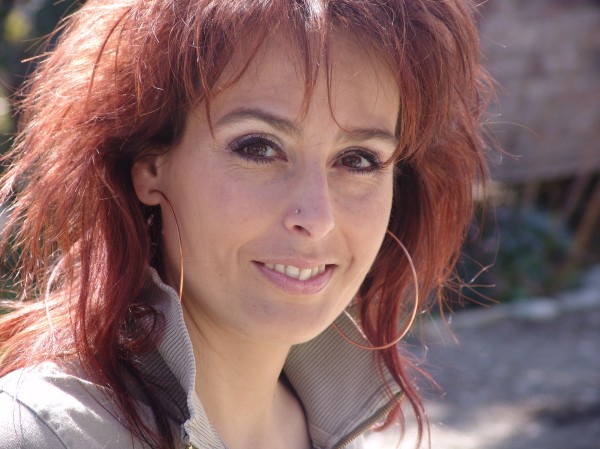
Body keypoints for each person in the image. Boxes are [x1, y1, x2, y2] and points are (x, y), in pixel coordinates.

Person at [0, 1, 491, 448]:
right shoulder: (47, 434)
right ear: (150, 167)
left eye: (358, 159)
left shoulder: (329, 427)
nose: (317, 219)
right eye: (258, 148)